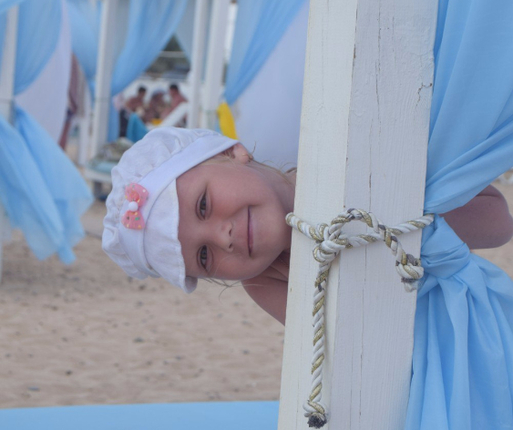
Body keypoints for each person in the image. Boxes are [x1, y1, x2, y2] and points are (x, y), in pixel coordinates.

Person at [103, 128, 513, 325]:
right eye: (204, 256)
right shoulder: (267, 281)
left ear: (233, 152)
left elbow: (498, 224)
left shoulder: (345, 160)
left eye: (204, 206)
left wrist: (386, 220)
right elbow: (346, 349)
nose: (221, 237)